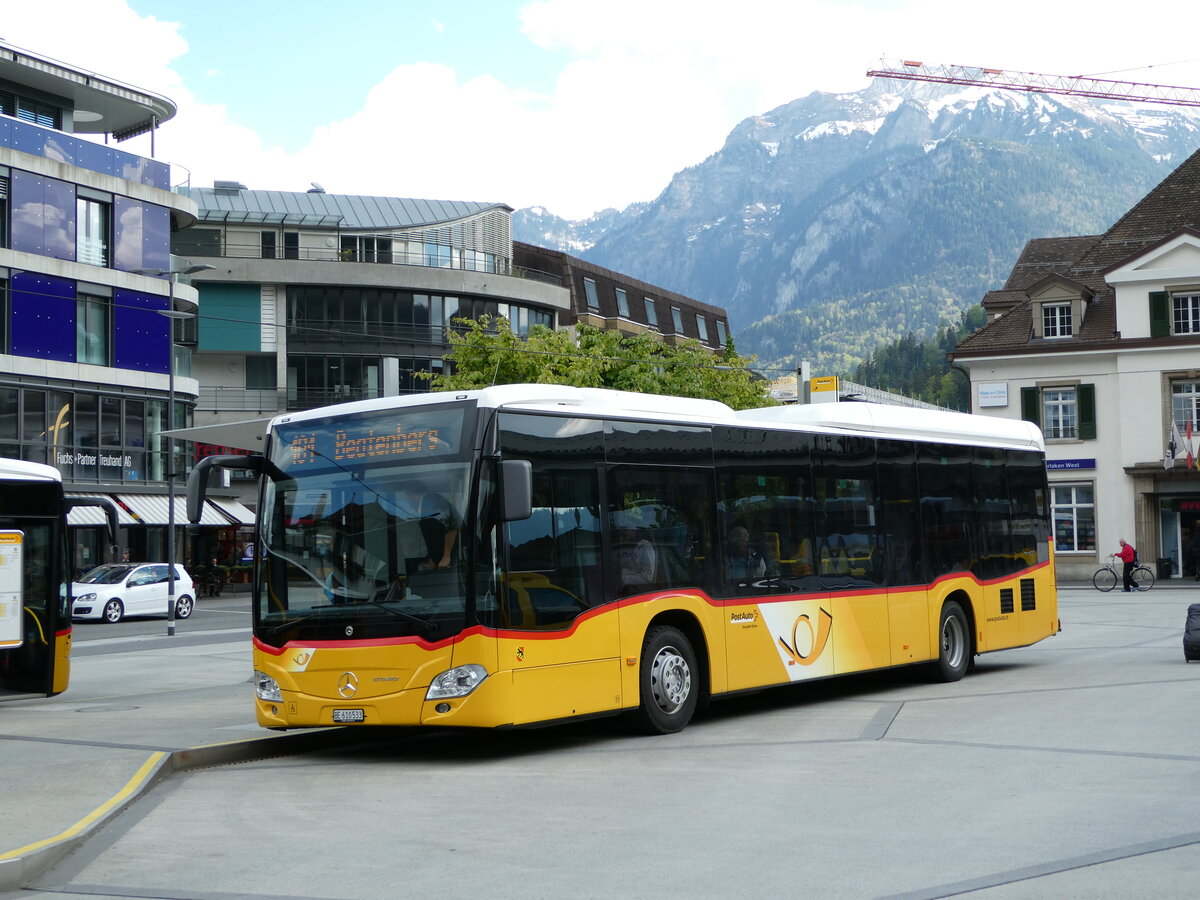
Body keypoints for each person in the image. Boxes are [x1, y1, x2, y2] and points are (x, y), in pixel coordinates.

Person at [399, 482, 460, 571]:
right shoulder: (427, 504)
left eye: (407, 496)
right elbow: (436, 534)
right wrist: (432, 558)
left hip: (457, 558)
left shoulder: (431, 501)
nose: (407, 501)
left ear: (411, 493)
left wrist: (446, 556)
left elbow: (452, 527)